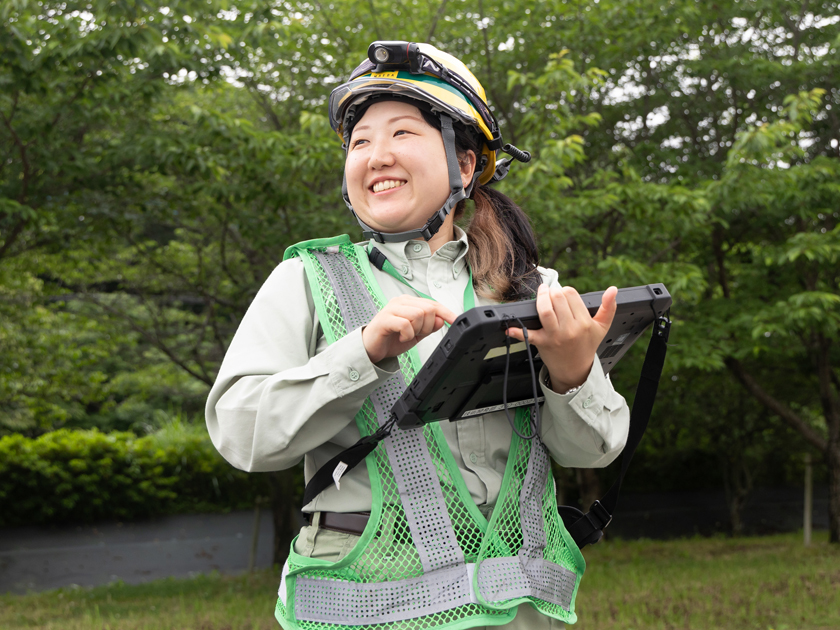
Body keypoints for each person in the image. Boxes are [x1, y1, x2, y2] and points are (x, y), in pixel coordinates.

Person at [206, 41, 630, 630]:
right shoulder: (306, 280)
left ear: (463, 164)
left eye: (403, 133)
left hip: (523, 615)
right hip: (367, 611)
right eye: (360, 142)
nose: (376, 154)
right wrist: (360, 354)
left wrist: (573, 373)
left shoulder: (530, 287)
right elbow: (239, 434)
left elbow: (593, 450)